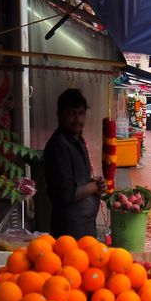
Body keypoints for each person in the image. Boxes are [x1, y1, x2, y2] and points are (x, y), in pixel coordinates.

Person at [44, 88, 106, 240]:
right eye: (71, 113)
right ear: (59, 115)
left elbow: (78, 182)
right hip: (69, 232)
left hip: (84, 228)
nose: (77, 119)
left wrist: (92, 184)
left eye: (81, 113)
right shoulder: (59, 145)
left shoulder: (77, 141)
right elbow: (67, 193)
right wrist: (95, 186)